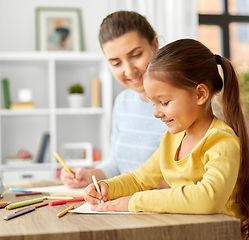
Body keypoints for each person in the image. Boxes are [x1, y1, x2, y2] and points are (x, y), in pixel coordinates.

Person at [84, 39, 249, 240]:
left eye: (164, 102)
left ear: (200, 94)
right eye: (154, 103)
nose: (156, 113)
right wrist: (108, 187)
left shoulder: (221, 142)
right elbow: (140, 178)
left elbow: (208, 198)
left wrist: (133, 202)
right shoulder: (172, 139)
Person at [60, 11, 168, 188]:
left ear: (155, 45)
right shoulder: (123, 102)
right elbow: (116, 164)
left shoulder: (184, 103)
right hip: (126, 207)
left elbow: (193, 178)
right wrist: (89, 176)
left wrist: (132, 185)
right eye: (116, 63)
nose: (129, 70)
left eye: (135, 55)